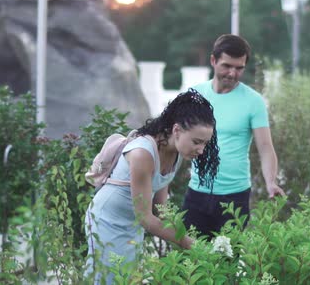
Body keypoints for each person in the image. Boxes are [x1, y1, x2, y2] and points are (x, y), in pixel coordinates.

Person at [84, 89, 220, 284]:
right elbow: (146, 218)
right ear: (176, 130)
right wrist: (185, 241)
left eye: (205, 144)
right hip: (107, 220)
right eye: (197, 142)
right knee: (106, 279)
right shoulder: (143, 153)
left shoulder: (176, 154)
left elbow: (161, 208)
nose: (201, 150)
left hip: (132, 224)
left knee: (127, 279)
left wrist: (185, 236)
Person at [182, 34, 285, 239]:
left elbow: (265, 148)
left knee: (227, 264)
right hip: (196, 194)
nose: (232, 73)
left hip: (234, 198)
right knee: (188, 264)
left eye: (239, 68)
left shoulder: (253, 101)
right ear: (213, 61)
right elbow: (177, 141)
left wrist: (271, 182)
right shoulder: (194, 95)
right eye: (227, 66)